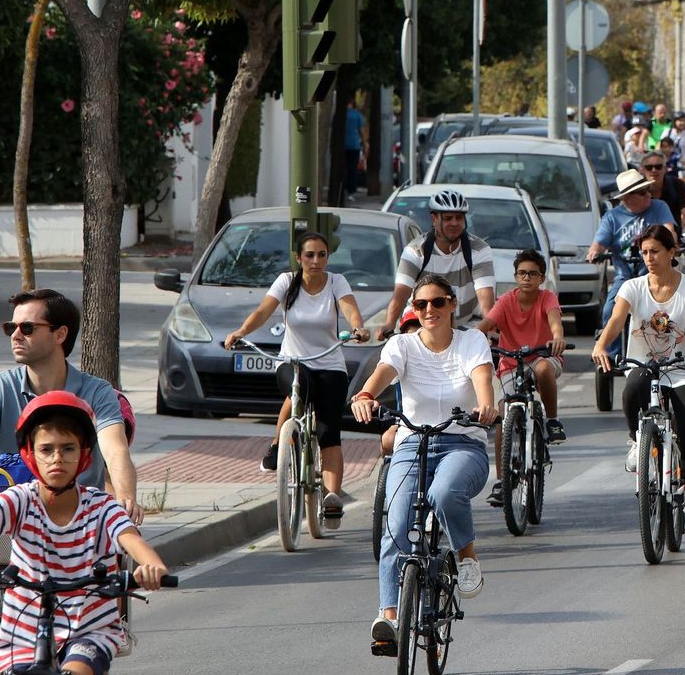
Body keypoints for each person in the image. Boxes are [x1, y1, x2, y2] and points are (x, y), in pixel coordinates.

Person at [0, 288, 139, 662]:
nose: (14, 334)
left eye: (27, 327)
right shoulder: (1, 387)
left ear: (60, 334)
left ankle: (104, 632)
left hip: (78, 529)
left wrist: (126, 497)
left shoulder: (96, 392)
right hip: (14, 521)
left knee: (91, 642)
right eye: (12, 326)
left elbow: (114, 448)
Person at [0, 392, 169, 675]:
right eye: (47, 449)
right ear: (30, 455)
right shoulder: (20, 499)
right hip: (22, 627)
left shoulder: (101, 507)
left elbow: (130, 539)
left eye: (68, 448)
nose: (57, 458)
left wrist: (152, 566)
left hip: (87, 628)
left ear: (84, 455)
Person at [352, 274, 497, 650]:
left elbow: (482, 379)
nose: (428, 310)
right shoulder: (402, 345)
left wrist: (486, 405)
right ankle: (389, 618)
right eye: (420, 305)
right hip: (412, 444)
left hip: (462, 443)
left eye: (436, 303)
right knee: (396, 523)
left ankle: (466, 557)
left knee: (445, 492)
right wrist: (367, 393)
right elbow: (384, 373)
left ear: (451, 305)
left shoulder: (471, 341)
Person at [225, 231, 370, 516]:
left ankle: (331, 499)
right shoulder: (286, 282)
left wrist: (359, 328)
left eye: (321, 255)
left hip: (329, 364)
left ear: (328, 257)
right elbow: (263, 311)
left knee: (329, 430)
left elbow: (350, 309)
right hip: (292, 361)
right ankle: (278, 442)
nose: (316, 261)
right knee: (299, 387)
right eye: (309, 255)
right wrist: (241, 331)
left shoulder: (336, 282)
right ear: (298, 258)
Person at [592, 226, 685, 534]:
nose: (648, 258)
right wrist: (600, 345)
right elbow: (617, 319)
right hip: (645, 364)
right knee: (631, 388)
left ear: (672, 252)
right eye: (644, 252)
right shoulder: (632, 287)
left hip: (684, 367)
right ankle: (636, 440)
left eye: (655, 251)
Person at [478, 249, 569, 506]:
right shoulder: (506, 300)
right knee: (504, 414)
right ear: (515, 276)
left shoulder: (547, 298)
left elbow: (554, 322)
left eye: (532, 274)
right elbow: (486, 324)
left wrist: (558, 337)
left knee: (541, 370)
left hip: (543, 356)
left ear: (541, 278)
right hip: (511, 360)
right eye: (521, 273)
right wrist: (469, 340)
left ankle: (552, 421)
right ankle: (502, 481)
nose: (526, 278)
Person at [378, 189, 496, 338]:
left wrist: (486, 330)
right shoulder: (416, 250)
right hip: (422, 320)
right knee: (412, 338)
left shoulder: (479, 249)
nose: (454, 223)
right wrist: (389, 323)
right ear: (434, 219)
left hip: (465, 322)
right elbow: (401, 294)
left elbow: (486, 299)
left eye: (459, 218)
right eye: (448, 218)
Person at [588, 169, 677, 352]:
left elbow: (669, 231)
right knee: (609, 310)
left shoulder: (659, 207)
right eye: (643, 192)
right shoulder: (612, 217)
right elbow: (598, 244)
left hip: (653, 274)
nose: (648, 195)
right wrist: (595, 253)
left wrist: (671, 240)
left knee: (666, 309)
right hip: (625, 276)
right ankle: (612, 356)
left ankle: (663, 348)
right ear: (627, 197)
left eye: (648, 190)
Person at [640, 150, 685, 239]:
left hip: (672, 241)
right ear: (643, 170)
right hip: (645, 240)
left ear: (665, 169)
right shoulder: (638, 190)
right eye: (649, 167)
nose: (654, 170)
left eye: (658, 167)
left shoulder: (677, 185)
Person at [342, 95, 367, 203]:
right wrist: (365, 143)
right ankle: (351, 192)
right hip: (354, 146)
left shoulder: (341, 114)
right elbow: (362, 131)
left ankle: (342, 188)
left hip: (342, 146)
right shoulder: (357, 115)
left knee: (343, 168)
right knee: (352, 169)